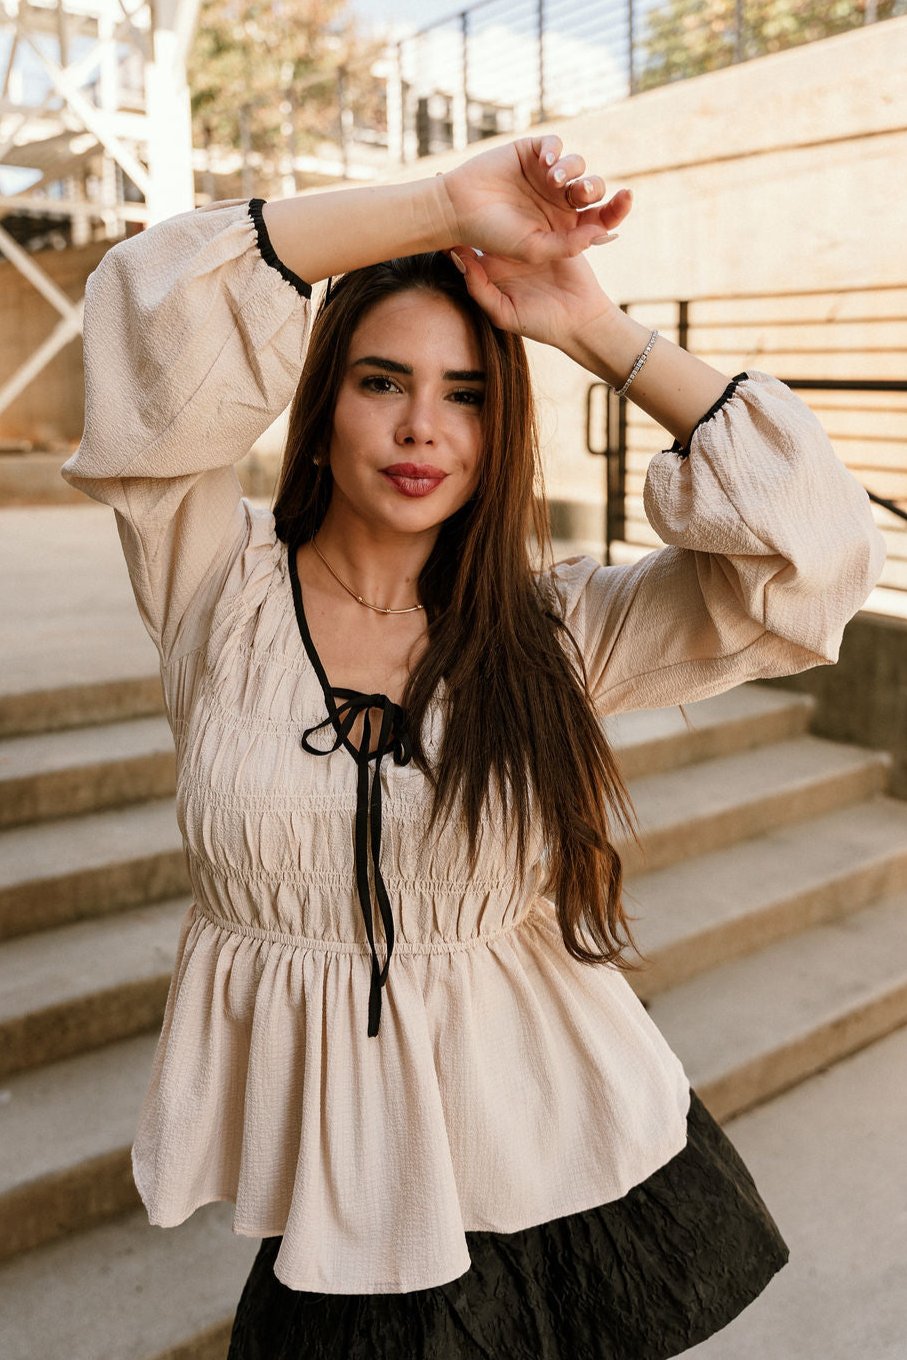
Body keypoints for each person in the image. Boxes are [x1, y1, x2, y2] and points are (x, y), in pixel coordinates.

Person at [61, 134, 886, 1359]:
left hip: (563, 1159)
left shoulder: (555, 628)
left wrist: (588, 325)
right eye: (382, 381)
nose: (422, 429)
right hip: (343, 1206)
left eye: (466, 394)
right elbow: (147, 305)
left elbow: (814, 557)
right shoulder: (212, 580)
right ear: (322, 398)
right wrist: (439, 204)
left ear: (502, 433)